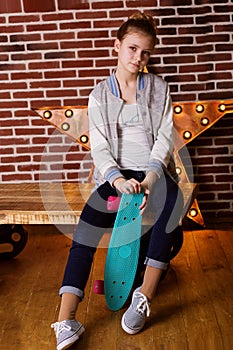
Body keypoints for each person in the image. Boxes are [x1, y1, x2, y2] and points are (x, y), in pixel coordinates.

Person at [51, 12, 184, 350]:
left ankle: (144, 296)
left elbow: (164, 140)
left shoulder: (159, 89)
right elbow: (100, 147)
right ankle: (65, 319)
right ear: (117, 46)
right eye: (132, 48)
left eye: (145, 53)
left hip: (153, 173)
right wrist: (118, 180)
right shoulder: (99, 95)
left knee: (171, 206)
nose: (138, 58)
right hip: (117, 177)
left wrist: (152, 178)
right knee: (85, 230)